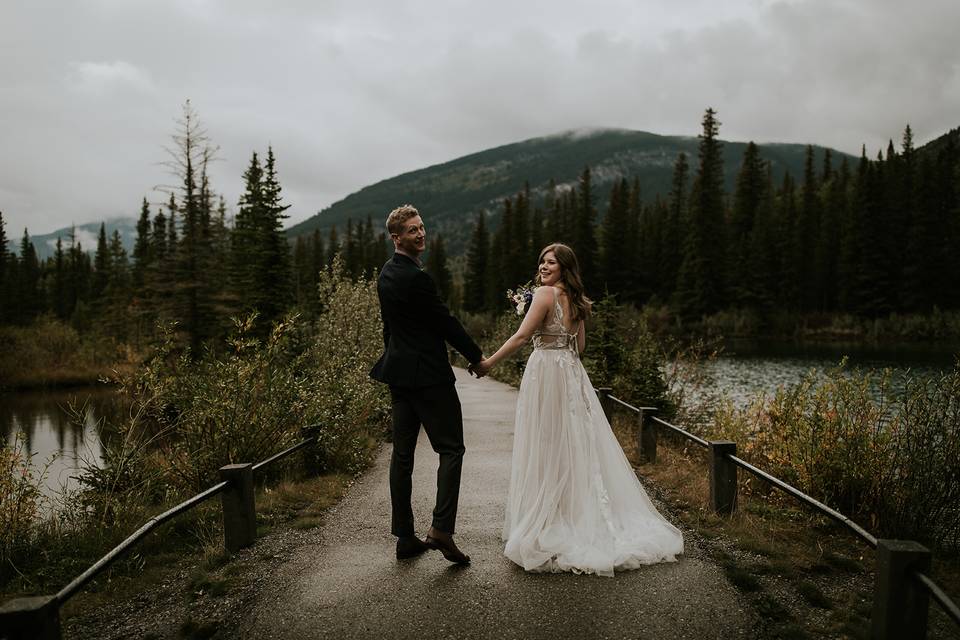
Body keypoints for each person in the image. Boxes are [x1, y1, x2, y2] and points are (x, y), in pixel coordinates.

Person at [470, 243, 684, 576]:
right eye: (542, 261)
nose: (543, 266)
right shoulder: (580, 302)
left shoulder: (543, 295)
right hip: (570, 373)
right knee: (574, 445)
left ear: (564, 267)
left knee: (546, 444)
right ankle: (573, 515)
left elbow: (522, 336)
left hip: (546, 374)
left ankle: (551, 520)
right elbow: (579, 347)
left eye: (551, 262)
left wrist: (488, 363)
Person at [369, 204, 484, 565]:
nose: (421, 234)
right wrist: (476, 356)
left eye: (422, 228)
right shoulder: (417, 278)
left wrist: (395, 356)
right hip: (429, 377)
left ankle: (405, 537)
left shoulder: (386, 274)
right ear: (396, 238)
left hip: (398, 374)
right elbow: (444, 322)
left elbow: (389, 328)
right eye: (412, 230)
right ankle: (441, 531)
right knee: (451, 450)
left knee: (402, 455)